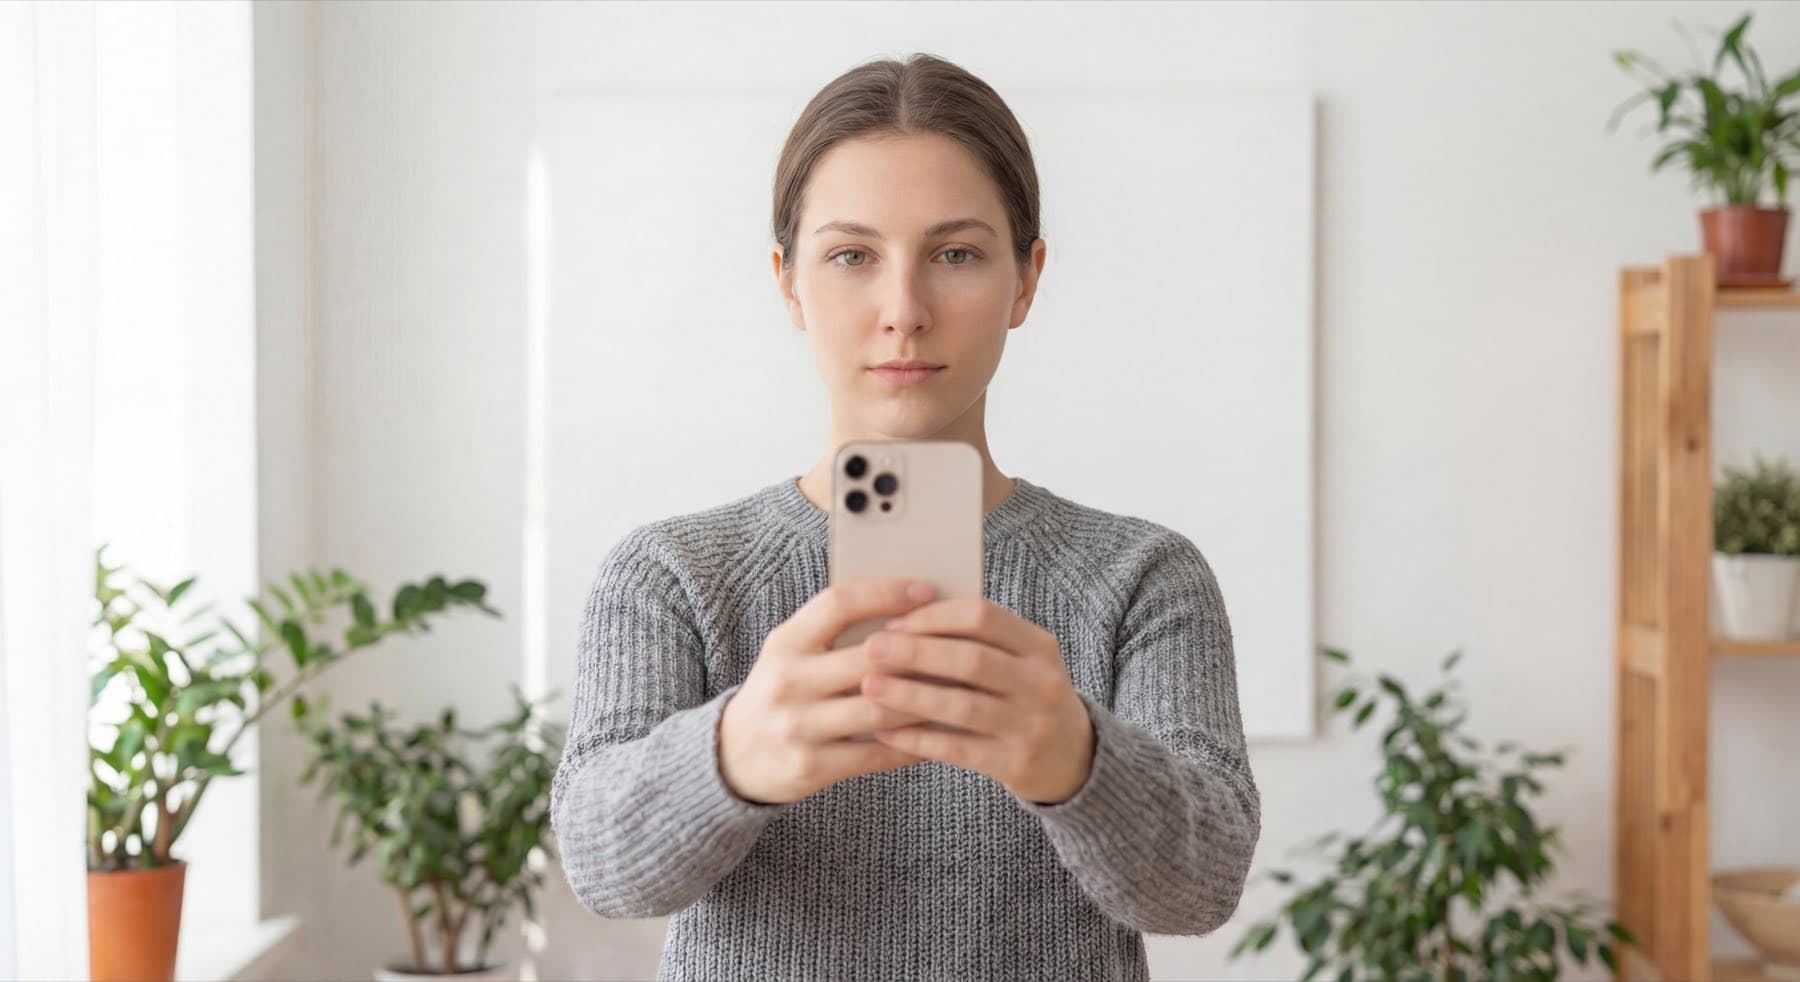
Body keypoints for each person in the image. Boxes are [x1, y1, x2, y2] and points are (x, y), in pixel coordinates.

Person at [549, 52, 1260, 982]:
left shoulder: (1142, 575)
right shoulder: (671, 571)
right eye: (852, 256)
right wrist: (731, 755)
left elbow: (1202, 890)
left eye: (956, 254)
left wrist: (1077, 760)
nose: (903, 311)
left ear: (1026, 279)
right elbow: (600, 869)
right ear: (789, 283)